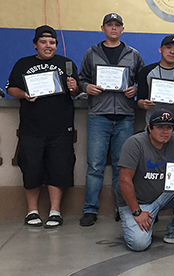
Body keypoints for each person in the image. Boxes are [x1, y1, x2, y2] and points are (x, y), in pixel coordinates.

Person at [7, 25, 80, 228]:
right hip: (31, 128)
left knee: (59, 169)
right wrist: (23, 95)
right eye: (43, 42)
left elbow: (76, 91)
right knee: (31, 168)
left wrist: (74, 89)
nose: (48, 46)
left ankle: (55, 211)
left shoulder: (66, 64)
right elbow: (11, 88)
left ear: (56, 44)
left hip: (61, 128)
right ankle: (32, 211)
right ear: (35, 44)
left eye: (52, 42)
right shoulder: (23, 64)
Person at [79, 13, 145, 227]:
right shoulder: (92, 53)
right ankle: (90, 209)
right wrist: (86, 87)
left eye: (117, 25)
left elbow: (142, 81)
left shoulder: (133, 54)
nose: (114, 28)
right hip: (98, 115)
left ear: (122, 29)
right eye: (110, 25)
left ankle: (122, 207)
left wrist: (135, 89)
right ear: (103, 28)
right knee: (95, 166)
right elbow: (82, 79)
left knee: (122, 166)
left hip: (125, 116)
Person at [116, 109, 174, 251]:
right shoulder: (134, 143)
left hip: (162, 195)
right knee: (139, 244)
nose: (165, 132)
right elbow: (124, 181)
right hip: (138, 202)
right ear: (150, 128)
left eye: (169, 127)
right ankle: (135, 219)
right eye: (160, 127)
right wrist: (137, 212)